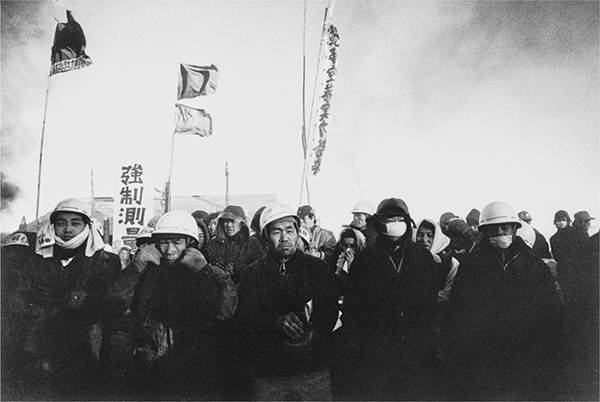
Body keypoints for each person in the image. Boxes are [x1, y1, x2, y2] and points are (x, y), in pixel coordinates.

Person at [107, 210, 237, 400]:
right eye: (165, 242)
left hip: (192, 367)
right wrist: (135, 268)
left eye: (177, 242)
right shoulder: (145, 271)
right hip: (148, 365)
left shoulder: (209, 271)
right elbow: (114, 303)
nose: (170, 250)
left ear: (190, 243)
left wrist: (205, 272)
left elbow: (226, 310)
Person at [6, 198, 121, 400]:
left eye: (75, 223)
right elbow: (17, 301)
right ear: (53, 226)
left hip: (87, 347)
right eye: (61, 223)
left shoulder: (106, 261)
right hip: (42, 347)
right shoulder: (37, 259)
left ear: (87, 226)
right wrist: (36, 306)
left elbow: (109, 304)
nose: (67, 229)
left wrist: (73, 299)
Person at [447, 201, 562, 400]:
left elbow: (551, 311)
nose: (500, 232)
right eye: (493, 228)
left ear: (515, 228)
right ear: (484, 231)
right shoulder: (471, 266)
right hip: (484, 357)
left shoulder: (534, 265)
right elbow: (458, 310)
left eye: (505, 226)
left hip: (526, 355)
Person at [236, 203, 338, 400]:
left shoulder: (317, 268)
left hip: (312, 370)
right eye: (277, 231)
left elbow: (330, 311)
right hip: (270, 372)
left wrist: (311, 332)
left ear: (298, 233)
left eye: (289, 230)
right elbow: (245, 317)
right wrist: (275, 322)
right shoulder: (253, 273)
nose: (284, 238)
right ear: (266, 236)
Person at [343, 198, 439, 400]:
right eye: (389, 218)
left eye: (399, 218)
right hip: (377, 350)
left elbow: (431, 303)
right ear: (379, 222)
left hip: (415, 349)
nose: (395, 223)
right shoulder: (364, 260)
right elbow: (353, 306)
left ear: (407, 222)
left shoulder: (423, 257)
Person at [206, 205, 264, 285]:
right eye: (226, 221)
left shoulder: (252, 244)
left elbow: (259, 272)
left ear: (242, 223)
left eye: (233, 221)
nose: (229, 225)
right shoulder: (213, 244)